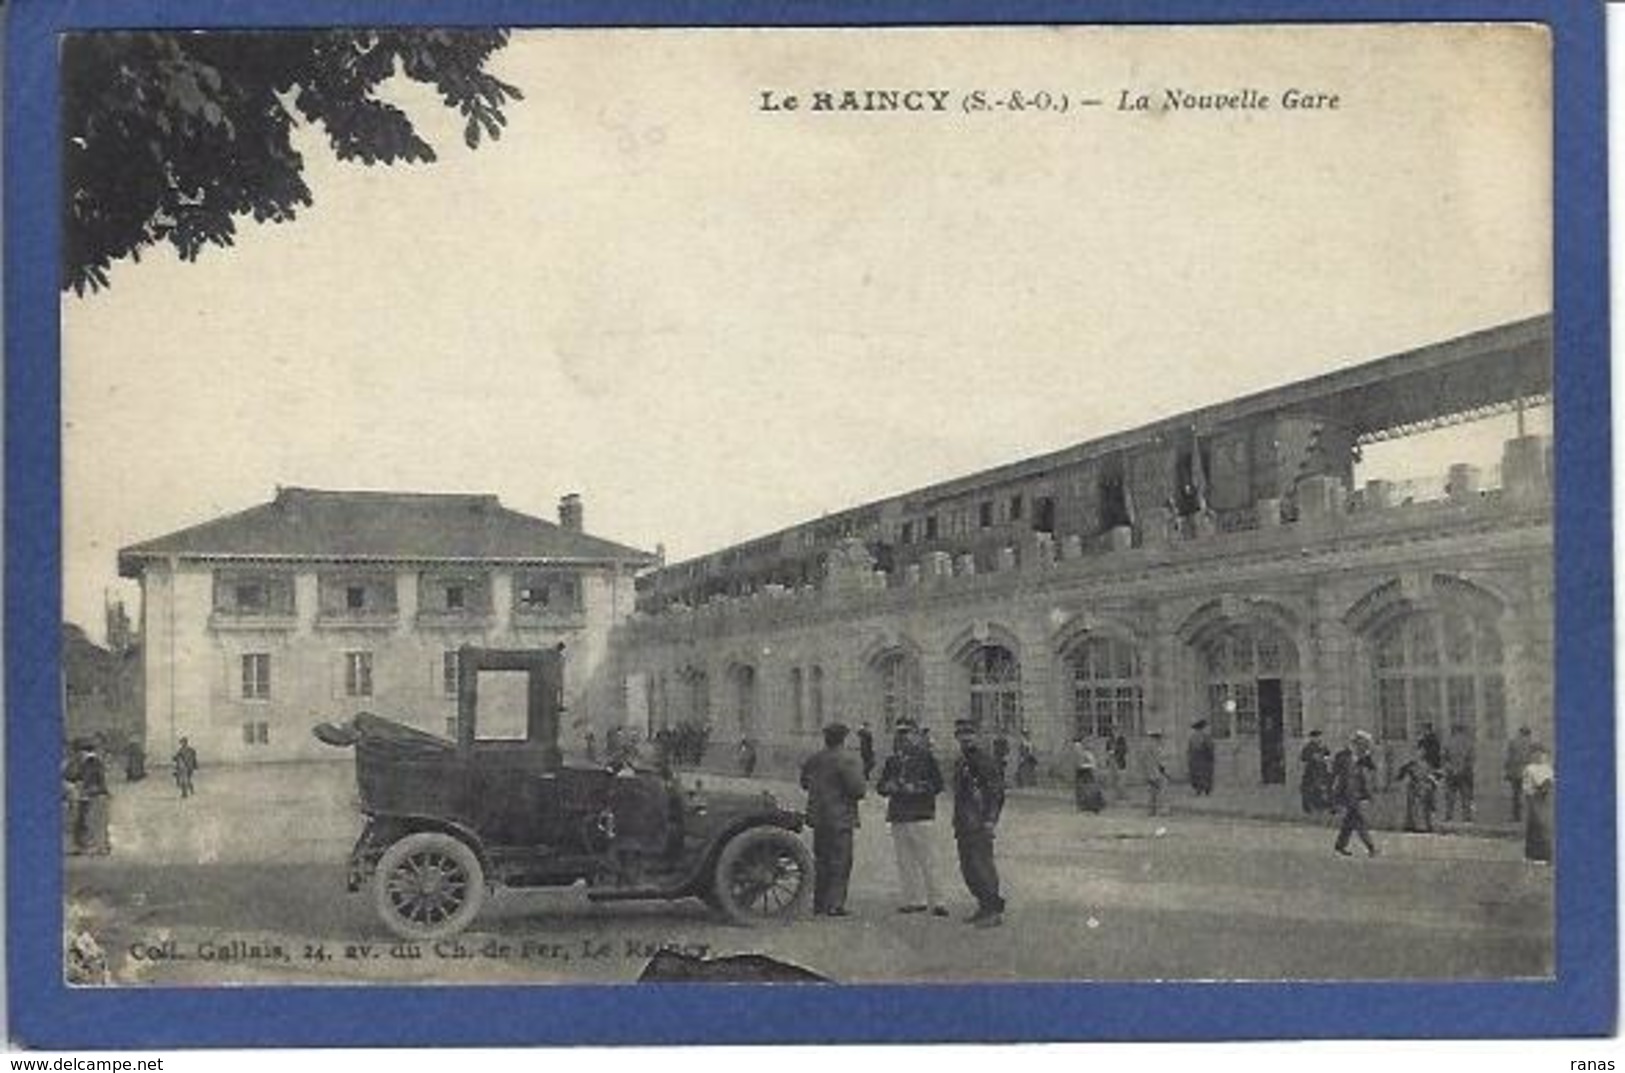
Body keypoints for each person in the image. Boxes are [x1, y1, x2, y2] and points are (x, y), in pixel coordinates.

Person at [874, 719, 947, 916]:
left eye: (907, 732)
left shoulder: (926, 758)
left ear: (915, 735)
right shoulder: (892, 761)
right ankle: (913, 899)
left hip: (921, 813)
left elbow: (938, 785)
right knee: (905, 861)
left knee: (929, 859)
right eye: (899, 733)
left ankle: (938, 900)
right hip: (899, 814)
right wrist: (888, 787)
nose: (902, 737)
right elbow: (880, 786)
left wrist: (917, 788)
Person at [799, 723, 867, 917]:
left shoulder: (815, 759)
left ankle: (819, 903)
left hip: (819, 818)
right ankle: (835, 904)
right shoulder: (847, 759)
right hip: (840, 817)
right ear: (843, 738)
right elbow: (858, 790)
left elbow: (804, 783)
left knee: (821, 860)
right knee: (841, 861)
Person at [951, 719, 1006, 927]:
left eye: (969, 733)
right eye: (961, 734)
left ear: (977, 736)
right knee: (969, 868)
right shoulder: (961, 760)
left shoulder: (984, 760)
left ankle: (992, 911)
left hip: (979, 822)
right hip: (963, 821)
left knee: (982, 865)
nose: (965, 737)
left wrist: (991, 819)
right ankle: (983, 906)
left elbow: (996, 792)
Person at [1331, 730, 1379, 857]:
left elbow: (1368, 773)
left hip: (1355, 795)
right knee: (1359, 821)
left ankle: (1340, 846)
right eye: (1364, 745)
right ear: (1357, 744)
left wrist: (1367, 796)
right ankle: (1371, 848)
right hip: (1346, 794)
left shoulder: (1361, 758)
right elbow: (1337, 777)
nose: (1366, 748)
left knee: (1349, 822)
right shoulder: (1344, 757)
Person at [76, 740, 112, 855]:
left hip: (95, 795)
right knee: (100, 822)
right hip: (100, 794)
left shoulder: (89, 762)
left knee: (94, 821)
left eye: (81, 753)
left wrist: (86, 791)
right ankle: (103, 847)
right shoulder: (96, 761)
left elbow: (88, 780)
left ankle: (100, 847)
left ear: (84, 752)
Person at [1394, 745, 1439, 833]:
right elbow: (1401, 773)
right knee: (1413, 808)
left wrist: (1431, 783)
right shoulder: (1411, 764)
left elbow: (1433, 775)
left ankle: (1424, 826)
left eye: (1422, 751)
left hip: (1424, 788)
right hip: (1414, 788)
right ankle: (1412, 826)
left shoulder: (1427, 764)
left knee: (1424, 808)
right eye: (1418, 751)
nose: (1419, 753)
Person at [1521, 745, 1554, 864]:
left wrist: (1546, 786)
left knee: (1543, 827)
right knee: (1534, 826)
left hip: (1544, 800)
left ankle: (1543, 856)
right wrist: (1534, 790)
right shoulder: (1530, 768)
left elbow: (1549, 783)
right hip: (1534, 798)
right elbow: (1527, 786)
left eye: (1543, 754)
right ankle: (1531, 855)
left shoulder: (1548, 768)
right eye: (1538, 754)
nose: (1541, 757)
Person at [1442, 723, 1476, 823]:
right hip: (1465, 773)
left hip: (1451, 773)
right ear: (1463, 731)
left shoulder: (1448, 742)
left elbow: (1444, 759)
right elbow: (1472, 759)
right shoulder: (1469, 742)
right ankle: (1467, 818)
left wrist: (1451, 768)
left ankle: (1449, 816)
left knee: (1450, 796)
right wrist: (1463, 768)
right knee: (1466, 796)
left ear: (1453, 731)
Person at [1504, 726, 1535, 822]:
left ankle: (1516, 817)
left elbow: (1508, 759)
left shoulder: (1513, 742)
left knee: (1516, 795)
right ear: (1528, 734)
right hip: (1527, 772)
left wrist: (1507, 770)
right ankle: (1531, 817)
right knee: (1529, 795)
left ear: (1520, 733)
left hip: (1515, 772)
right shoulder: (1532, 744)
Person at [1299, 730, 1331, 814]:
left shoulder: (1323, 746)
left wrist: (1324, 758)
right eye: (1317, 737)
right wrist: (1313, 757)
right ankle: (1309, 807)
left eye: (1320, 737)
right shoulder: (1308, 747)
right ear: (1312, 738)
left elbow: (1327, 755)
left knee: (1323, 787)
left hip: (1322, 769)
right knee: (1308, 788)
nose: (1319, 739)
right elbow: (1303, 757)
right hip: (1311, 771)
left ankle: (1322, 806)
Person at [1138, 731, 1169, 817]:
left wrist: (1145, 773)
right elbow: (1160, 760)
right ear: (1157, 737)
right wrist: (1165, 771)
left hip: (1149, 773)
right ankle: (1163, 811)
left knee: (1151, 792)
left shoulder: (1145, 747)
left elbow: (1142, 761)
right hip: (1157, 772)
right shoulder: (1157, 747)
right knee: (1162, 791)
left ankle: (1151, 811)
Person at [1070, 735, 1104, 812]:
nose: (1076, 747)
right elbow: (1076, 763)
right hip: (1081, 772)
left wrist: (1085, 766)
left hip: (1087, 772)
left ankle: (1094, 807)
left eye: (1078, 745)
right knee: (1081, 790)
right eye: (1075, 746)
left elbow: (1093, 764)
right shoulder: (1078, 753)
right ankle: (1082, 806)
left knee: (1090, 790)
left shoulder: (1087, 753)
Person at [1186, 719, 1215, 796]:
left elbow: (1189, 749)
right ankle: (1205, 789)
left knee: (1197, 773)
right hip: (1203, 757)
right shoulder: (1205, 736)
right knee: (1205, 773)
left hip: (1195, 757)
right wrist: (1211, 756)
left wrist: (1189, 758)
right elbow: (1210, 747)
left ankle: (1199, 789)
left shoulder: (1192, 737)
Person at [1109, 730, 1130, 800]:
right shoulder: (1110, 740)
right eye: (1114, 730)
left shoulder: (1122, 740)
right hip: (1113, 761)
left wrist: (1116, 752)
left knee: (1121, 779)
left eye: (1117, 730)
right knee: (1115, 779)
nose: (1116, 732)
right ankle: (1117, 794)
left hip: (1120, 762)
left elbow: (1125, 750)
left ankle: (1122, 794)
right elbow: (1107, 750)